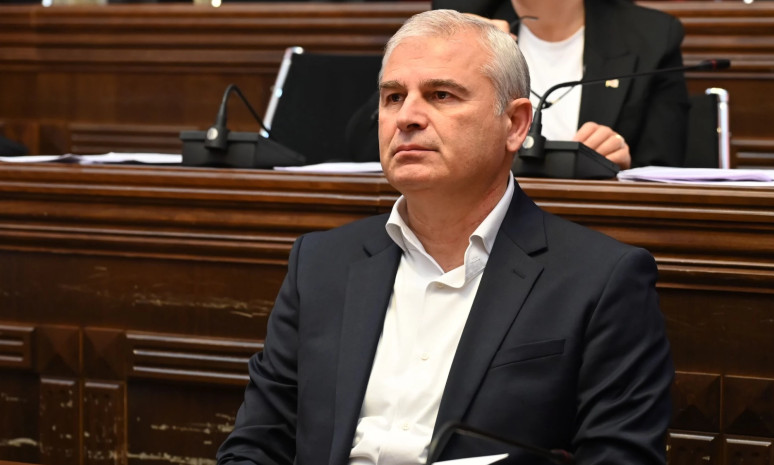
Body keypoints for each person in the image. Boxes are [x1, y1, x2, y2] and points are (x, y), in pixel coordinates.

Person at [218, 9, 673, 465]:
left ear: (516, 124)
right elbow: (256, 446)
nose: (407, 117)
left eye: (441, 95)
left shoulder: (601, 280)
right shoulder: (320, 263)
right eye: (393, 97)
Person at [346, 0, 690, 170]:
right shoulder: (461, 23)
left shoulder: (652, 37)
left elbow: (664, 169)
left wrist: (621, 165)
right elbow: (366, 148)